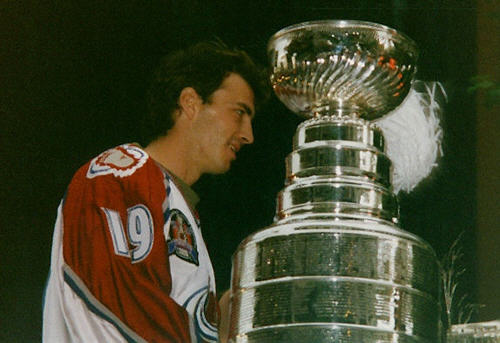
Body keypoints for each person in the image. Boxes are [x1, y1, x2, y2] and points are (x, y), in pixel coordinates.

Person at [43, 41, 268, 342]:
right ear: (191, 102)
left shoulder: (176, 204)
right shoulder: (119, 174)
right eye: (239, 112)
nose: (247, 134)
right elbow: (112, 307)